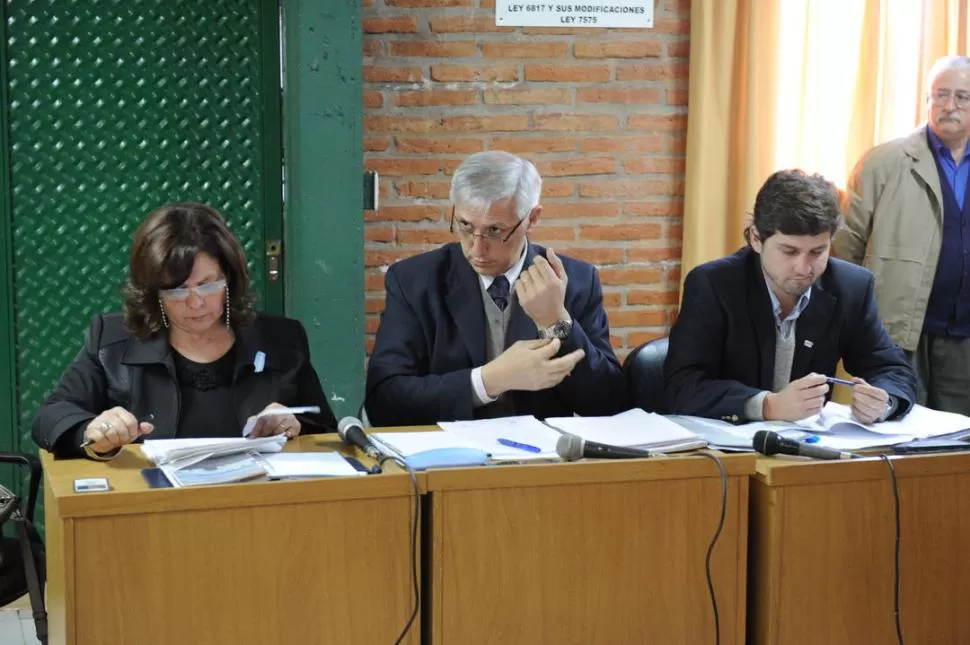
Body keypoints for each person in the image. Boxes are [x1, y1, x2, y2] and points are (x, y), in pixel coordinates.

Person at [33, 202, 337, 459]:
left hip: (258, 500)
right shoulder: (113, 340)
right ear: (154, 293)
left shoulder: (281, 339)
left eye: (208, 284)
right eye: (177, 290)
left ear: (229, 280)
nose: (196, 302)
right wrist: (93, 431)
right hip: (151, 502)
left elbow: (325, 430)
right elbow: (51, 417)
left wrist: (294, 425)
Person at [365, 150, 627, 426]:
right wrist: (488, 380)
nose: (477, 249)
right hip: (446, 450)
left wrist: (556, 322)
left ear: (532, 218)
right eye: (465, 226)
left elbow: (609, 404)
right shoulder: (414, 281)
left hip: (542, 452)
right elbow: (383, 403)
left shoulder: (577, 280)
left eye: (495, 231)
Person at [665, 169, 917, 423]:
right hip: (727, 441)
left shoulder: (851, 287)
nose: (804, 268)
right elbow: (681, 387)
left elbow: (892, 369)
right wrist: (767, 406)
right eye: (789, 251)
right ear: (756, 239)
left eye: (817, 252)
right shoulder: (712, 285)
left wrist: (884, 402)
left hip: (809, 443)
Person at [835, 55, 970, 415]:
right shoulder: (882, 163)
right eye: (940, 95)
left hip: (965, 338)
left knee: (960, 439)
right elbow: (845, 248)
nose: (949, 106)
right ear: (927, 99)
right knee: (898, 431)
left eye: (962, 97)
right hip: (897, 334)